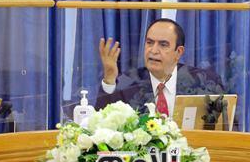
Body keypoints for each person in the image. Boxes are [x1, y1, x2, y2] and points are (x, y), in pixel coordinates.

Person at [95, 18, 224, 117]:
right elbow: (102, 125)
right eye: (149, 43)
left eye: (163, 45)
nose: (153, 50)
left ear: (178, 52)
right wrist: (109, 79)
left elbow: (226, 127)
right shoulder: (127, 83)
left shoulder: (205, 81)